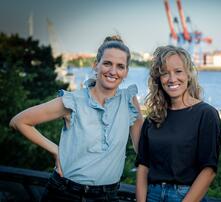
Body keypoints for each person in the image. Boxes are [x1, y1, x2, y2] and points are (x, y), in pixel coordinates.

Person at [9, 35, 143, 201]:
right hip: (65, 193)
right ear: (96, 65)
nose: (113, 71)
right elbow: (19, 121)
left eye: (120, 66)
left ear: (126, 71)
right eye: (107, 63)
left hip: (107, 196)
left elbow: (143, 151)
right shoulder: (73, 101)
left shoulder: (129, 101)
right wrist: (56, 151)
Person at [135, 45, 221, 202]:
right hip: (151, 195)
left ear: (189, 74)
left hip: (185, 196)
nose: (172, 79)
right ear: (159, 80)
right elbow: (143, 166)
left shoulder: (206, 114)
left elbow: (208, 170)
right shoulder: (153, 118)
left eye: (178, 71)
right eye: (165, 73)